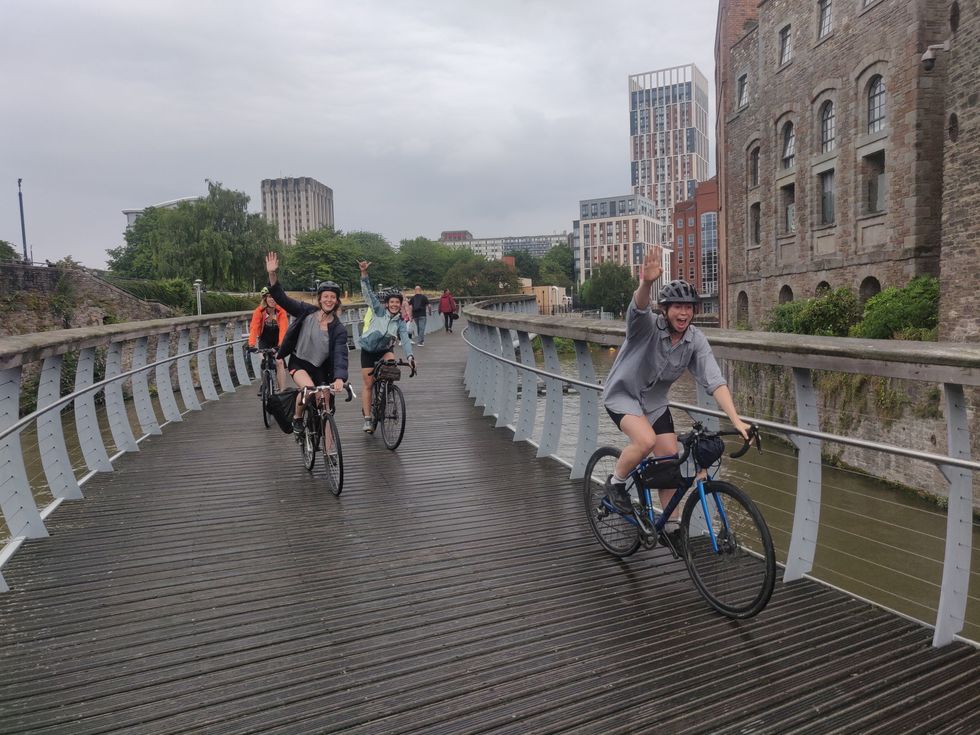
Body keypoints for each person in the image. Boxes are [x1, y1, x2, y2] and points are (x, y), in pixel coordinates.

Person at [601, 246, 751, 540]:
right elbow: (638, 308)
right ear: (665, 310)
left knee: (669, 461)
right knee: (645, 440)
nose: (683, 313)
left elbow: (715, 380)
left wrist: (736, 420)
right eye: (677, 307)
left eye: (689, 307)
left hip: (655, 403)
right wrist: (646, 283)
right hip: (623, 395)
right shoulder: (646, 327)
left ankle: (670, 526)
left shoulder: (695, 340)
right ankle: (616, 483)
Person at [263, 252, 349, 434]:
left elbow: (341, 354)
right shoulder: (306, 312)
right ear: (320, 299)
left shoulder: (339, 329)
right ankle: (297, 417)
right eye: (325, 296)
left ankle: (329, 446)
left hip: (321, 368)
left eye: (332, 297)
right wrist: (272, 274)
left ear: (337, 301)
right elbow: (282, 299)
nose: (329, 300)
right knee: (308, 390)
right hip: (300, 362)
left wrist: (340, 378)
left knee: (325, 404)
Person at [358, 260, 415, 433]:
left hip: (385, 350)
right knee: (368, 384)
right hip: (368, 350)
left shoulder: (400, 322)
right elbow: (368, 293)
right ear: (387, 303)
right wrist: (364, 274)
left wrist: (410, 357)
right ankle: (368, 419)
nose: (394, 304)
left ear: (400, 304)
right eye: (392, 302)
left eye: (397, 302)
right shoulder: (378, 311)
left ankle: (386, 392)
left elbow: (405, 339)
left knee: (391, 368)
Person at [247, 287, 288, 389]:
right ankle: (264, 383)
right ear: (265, 298)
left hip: (277, 341)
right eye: (269, 297)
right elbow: (254, 328)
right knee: (263, 361)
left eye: (274, 297)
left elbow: (283, 330)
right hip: (264, 340)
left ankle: (282, 391)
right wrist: (251, 344)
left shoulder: (281, 312)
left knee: (279, 362)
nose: (272, 299)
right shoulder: (259, 311)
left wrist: (280, 345)